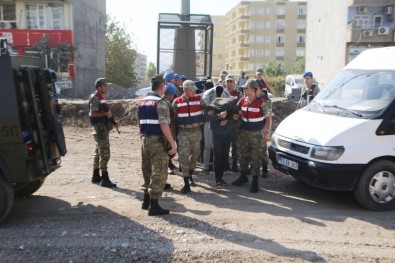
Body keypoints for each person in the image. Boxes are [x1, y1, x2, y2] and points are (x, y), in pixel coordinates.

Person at [137, 75, 177, 216]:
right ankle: (154, 205)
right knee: (159, 171)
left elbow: (140, 123)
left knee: (147, 170)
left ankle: (146, 201)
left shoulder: (142, 102)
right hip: (158, 142)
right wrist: (172, 143)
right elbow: (164, 124)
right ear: (162, 87)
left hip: (145, 140)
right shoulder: (161, 102)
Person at [232, 79, 272, 193]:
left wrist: (266, 133)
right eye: (244, 88)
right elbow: (236, 112)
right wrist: (235, 117)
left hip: (257, 134)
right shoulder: (242, 100)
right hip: (244, 133)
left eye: (246, 88)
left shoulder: (263, 102)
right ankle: (243, 177)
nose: (244, 89)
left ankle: (255, 181)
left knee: (255, 157)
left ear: (253, 90)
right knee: (243, 156)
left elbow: (269, 118)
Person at [89, 78, 120, 188]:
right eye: (105, 85)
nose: (107, 87)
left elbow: (105, 112)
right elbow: (93, 114)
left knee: (98, 152)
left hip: (102, 128)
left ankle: (96, 175)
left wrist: (113, 121)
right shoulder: (96, 98)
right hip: (100, 129)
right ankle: (105, 179)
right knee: (105, 153)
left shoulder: (100, 98)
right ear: (99, 87)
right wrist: (106, 115)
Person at [202, 84, 230, 174]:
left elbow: (230, 107)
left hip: (222, 122)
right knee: (207, 146)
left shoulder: (226, 92)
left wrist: (226, 119)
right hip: (209, 121)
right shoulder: (208, 93)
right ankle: (205, 166)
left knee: (218, 147)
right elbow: (206, 109)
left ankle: (218, 168)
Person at [224, 75, 242, 172]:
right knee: (225, 144)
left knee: (236, 144)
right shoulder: (222, 93)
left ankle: (235, 164)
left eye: (231, 81)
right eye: (228, 81)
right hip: (225, 122)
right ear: (225, 82)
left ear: (234, 83)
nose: (229, 83)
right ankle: (226, 163)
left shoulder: (238, 94)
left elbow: (240, 106)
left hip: (235, 123)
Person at [163, 83, 178, 179]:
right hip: (166, 129)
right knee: (168, 149)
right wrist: (172, 132)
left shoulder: (160, 101)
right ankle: (168, 165)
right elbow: (172, 118)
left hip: (163, 129)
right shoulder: (167, 104)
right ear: (169, 94)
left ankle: (169, 164)